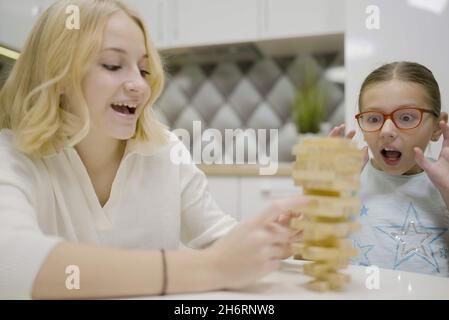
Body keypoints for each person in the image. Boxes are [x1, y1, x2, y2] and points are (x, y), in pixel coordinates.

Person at [0, 0, 305, 299]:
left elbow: (217, 237)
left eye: (144, 70)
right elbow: (11, 262)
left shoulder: (165, 150)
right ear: (59, 75)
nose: (139, 85)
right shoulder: (14, 156)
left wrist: (274, 238)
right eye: (113, 65)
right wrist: (211, 267)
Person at [330, 61, 449, 276]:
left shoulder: (445, 183)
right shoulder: (346, 181)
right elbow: (306, 258)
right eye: (374, 119)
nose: (386, 131)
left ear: (437, 126)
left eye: (406, 117)